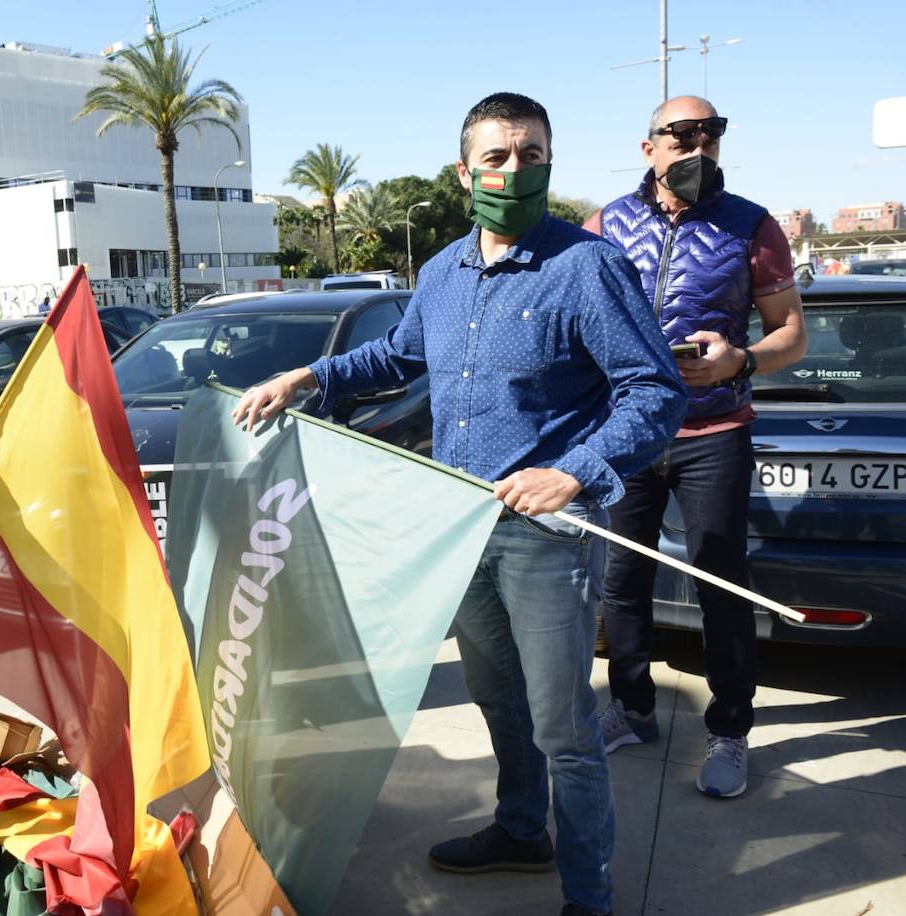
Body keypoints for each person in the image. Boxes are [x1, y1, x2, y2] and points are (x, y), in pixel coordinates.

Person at [233, 93, 687, 916]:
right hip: (459, 530)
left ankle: (590, 898)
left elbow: (655, 392)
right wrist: (307, 377)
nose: (516, 171)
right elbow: (398, 355)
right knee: (498, 698)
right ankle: (520, 831)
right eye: (498, 157)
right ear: (464, 171)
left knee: (565, 730)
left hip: (545, 535)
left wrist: (576, 470)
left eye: (533, 154)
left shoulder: (586, 268)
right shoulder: (441, 272)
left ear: (551, 161)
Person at [586, 96, 806, 799]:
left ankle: (730, 732)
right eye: (683, 134)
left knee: (719, 581)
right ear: (647, 146)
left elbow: (791, 335)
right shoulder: (603, 226)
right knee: (621, 581)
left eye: (712, 134)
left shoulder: (753, 224)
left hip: (716, 433)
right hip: (629, 432)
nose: (699, 146)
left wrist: (738, 361)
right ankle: (631, 707)